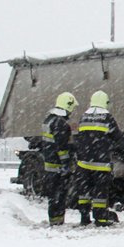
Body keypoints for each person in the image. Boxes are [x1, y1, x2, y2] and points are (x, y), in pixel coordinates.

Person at [72, 90, 122, 227]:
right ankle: (101, 219)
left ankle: (84, 217)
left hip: (83, 163)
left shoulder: (84, 117)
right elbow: (117, 137)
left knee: (84, 193)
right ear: (105, 102)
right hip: (100, 163)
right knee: (100, 192)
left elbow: (79, 137)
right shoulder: (107, 117)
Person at [41, 92, 77, 226]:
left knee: (53, 195)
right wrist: (66, 164)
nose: (72, 110)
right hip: (58, 166)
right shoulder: (60, 123)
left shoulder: (49, 119)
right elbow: (62, 147)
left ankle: (54, 219)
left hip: (49, 164)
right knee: (59, 195)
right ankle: (58, 221)